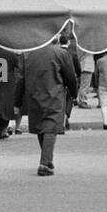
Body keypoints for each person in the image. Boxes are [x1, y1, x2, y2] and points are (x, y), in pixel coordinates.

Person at [23, 36, 79, 175]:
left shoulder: (28, 54)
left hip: (34, 96)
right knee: (50, 128)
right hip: (54, 95)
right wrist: (74, 93)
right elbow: (70, 77)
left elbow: (21, 78)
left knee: (41, 127)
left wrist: (18, 101)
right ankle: (44, 164)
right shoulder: (61, 53)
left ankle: (47, 158)